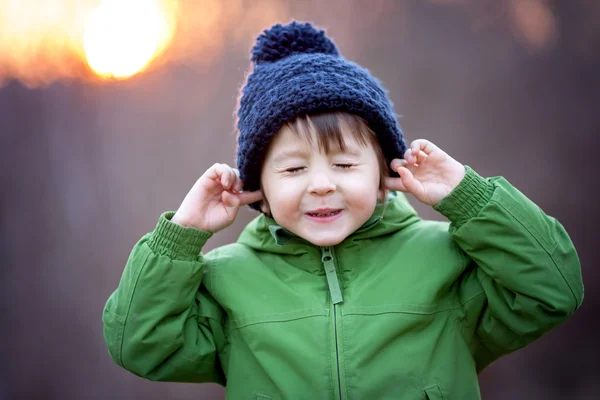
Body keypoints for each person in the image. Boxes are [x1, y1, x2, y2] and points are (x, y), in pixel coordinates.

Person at [103, 21, 584, 399]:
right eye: (293, 171)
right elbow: (138, 344)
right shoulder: (227, 280)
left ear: (384, 175)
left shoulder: (449, 259)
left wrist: (470, 197)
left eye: (345, 163)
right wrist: (181, 236)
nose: (321, 185)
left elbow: (554, 289)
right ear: (259, 191)